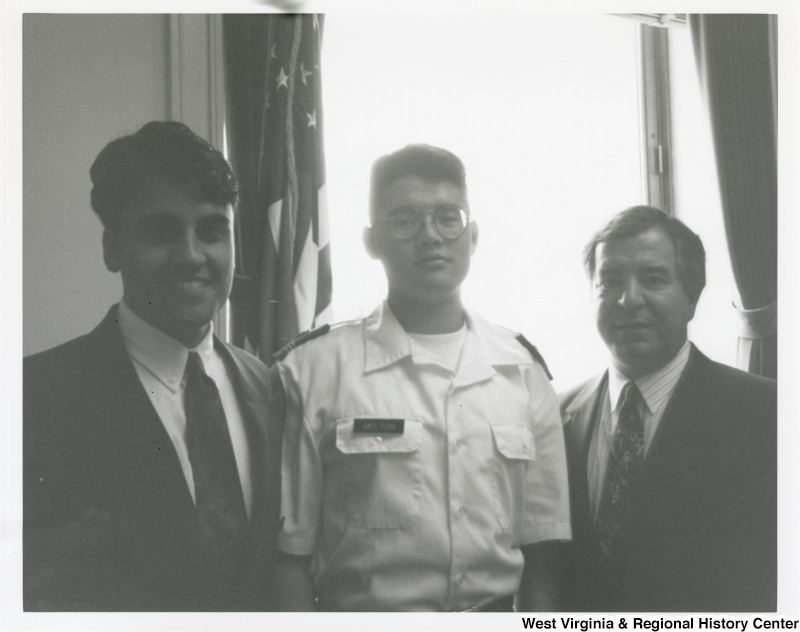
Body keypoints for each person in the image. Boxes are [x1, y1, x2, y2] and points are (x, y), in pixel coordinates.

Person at [271, 144, 571, 612]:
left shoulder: (524, 374)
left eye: (448, 217)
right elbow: (287, 559)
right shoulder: (314, 371)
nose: (431, 236)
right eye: (405, 220)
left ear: (472, 236)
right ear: (371, 242)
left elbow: (544, 558)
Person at [23, 121, 282, 611]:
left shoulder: (269, 388)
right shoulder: (32, 398)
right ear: (112, 248)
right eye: (161, 231)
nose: (191, 255)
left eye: (211, 230)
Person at [559, 205, 777, 611]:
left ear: (691, 298)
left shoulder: (768, 415)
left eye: (654, 279)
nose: (628, 300)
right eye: (610, 281)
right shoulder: (556, 417)